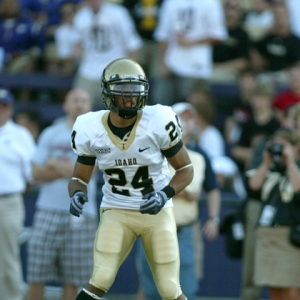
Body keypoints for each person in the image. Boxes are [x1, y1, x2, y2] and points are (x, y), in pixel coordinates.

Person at [68, 58, 193, 300]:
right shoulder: (89, 127)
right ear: (107, 94)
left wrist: (164, 193)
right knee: (101, 277)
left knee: (169, 288)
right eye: (122, 92)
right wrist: (76, 193)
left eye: (135, 91)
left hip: (156, 212)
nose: (130, 98)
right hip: (117, 209)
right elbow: (79, 179)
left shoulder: (158, 120)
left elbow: (186, 168)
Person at [136, 102, 220, 300]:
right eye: (180, 117)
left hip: (184, 229)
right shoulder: (151, 150)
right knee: (151, 289)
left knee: (186, 289)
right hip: (152, 228)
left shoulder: (200, 155)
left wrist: (214, 218)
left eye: (189, 118)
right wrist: (177, 189)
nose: (185, 122)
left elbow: (212, 188)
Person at [26, 88, 98, 300]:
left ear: (89, 107)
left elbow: (89, 173)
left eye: (84, 100)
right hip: (47, 209)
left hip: (81, 214)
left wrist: (54, 163)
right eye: (74, 100)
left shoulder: (97, 135)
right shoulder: (51, 133)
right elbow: (35, 172)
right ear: (65, 105)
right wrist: (71, 170)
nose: (79, 104)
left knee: (73, 279)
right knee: (36, 273)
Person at [245, 128, 300, 300]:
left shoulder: (296, 169)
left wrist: (290, 162)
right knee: (273, 288)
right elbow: (253, 187)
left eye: (284, 145)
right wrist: (265, 162)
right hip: (267, 236)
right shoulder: (270, 169)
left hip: (290, 239)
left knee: (291, 290)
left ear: (296, 147)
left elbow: (298, 189)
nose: (279, 150)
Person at [151, 0, 227, 106]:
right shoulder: (171, 3)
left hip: (196, 67)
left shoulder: (211, 3)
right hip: (171, 63)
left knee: (192, 109)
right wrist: (163, 62)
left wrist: (192, 42)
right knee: (161, 105)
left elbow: (218, 34)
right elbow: (163, 34)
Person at [0, 88, 36, 300]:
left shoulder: (20, 135)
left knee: (7, 257)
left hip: (9, 201)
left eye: (3, 106)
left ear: (11, 109)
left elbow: (31, 174)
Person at [71, 0, 142, 107]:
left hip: (115, 72)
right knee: (78, 107)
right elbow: (75, 43)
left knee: (118, 111)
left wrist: (130, 75)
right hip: (88, 71)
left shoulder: (119, 14)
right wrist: (79, 54)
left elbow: (132, 45)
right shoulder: (81, 16)